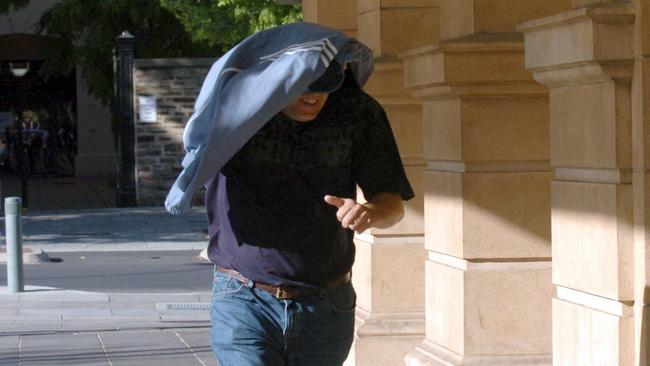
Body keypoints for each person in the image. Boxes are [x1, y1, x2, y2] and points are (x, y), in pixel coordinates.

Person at [166, 22, 413, 366]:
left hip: (326, 305)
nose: (312, 97)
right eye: (299, 88)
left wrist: (370, 212)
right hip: (244, 299)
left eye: (324, 88)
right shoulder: (239, 113)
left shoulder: (358, 114)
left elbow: (392, 203)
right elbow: (201, 131)